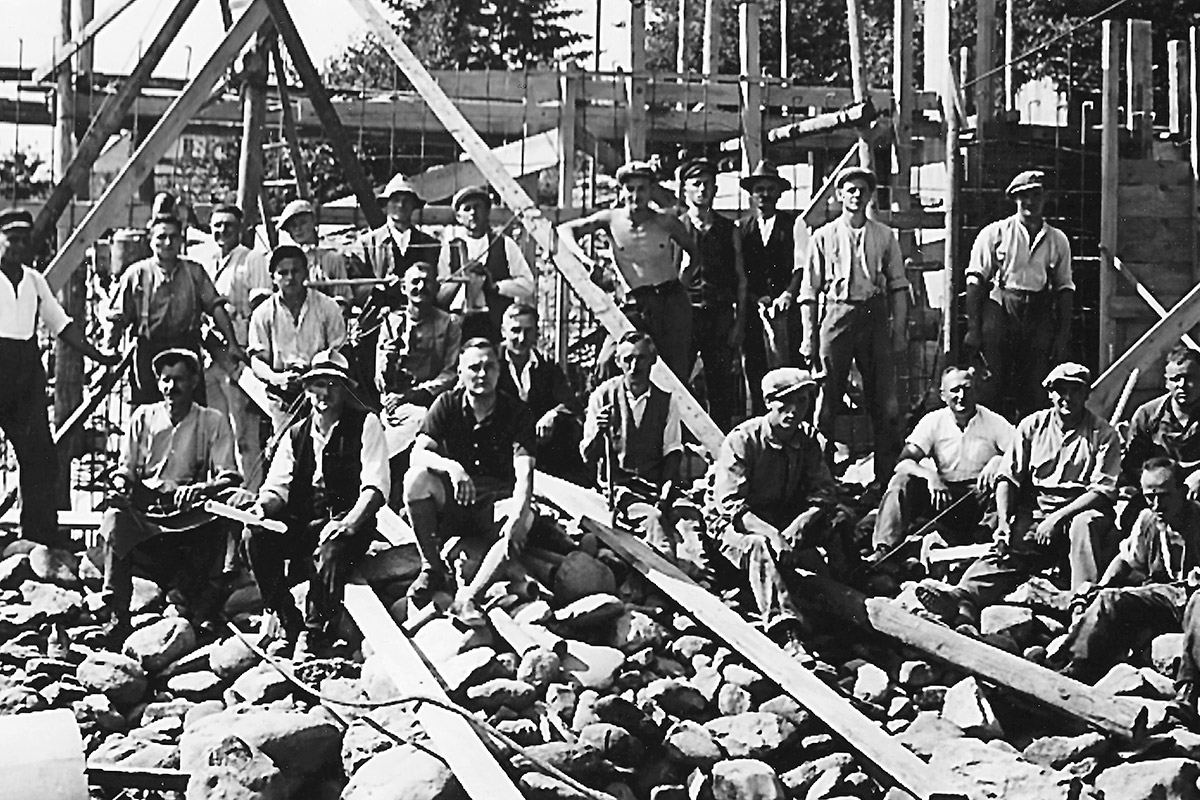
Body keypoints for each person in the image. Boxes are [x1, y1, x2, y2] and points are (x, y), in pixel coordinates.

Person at [915, 363, 1122, 624]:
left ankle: (1083, 605)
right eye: (1060, 391)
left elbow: (1103, 491)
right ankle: (963, 595)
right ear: (1050, 393)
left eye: (1075, 391)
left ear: (1086, 394)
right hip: (1039, 510)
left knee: (1084, 525)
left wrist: (1057, 518)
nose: (1067, 398)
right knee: (1007, 546)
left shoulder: (1103, 434)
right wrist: (1003, 523)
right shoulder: (1032, 426)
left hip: (1081, 509)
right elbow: (1008, 477)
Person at [245, 350, 389, 659]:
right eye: (316, 385)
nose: (324, 393)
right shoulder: (296, 433)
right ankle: (287, 619)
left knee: (332, 550)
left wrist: (348, 523)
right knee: (254, 536)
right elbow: (277, 489)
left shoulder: (366, 423)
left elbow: (375, 488)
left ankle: (315, 633)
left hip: (349, 523)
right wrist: (262, 509)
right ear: (307, 389)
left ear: (345, 389)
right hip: (305, 522)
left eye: (332, 384)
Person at [98, 349, 244, 640]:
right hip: (149, 515)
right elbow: (126, 469)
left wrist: (201, 489)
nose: (170, 387)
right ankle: (117, 615)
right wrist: (120, 484)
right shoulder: (143, 417)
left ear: (193, 382)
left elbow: (229, 475)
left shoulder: (212, 420)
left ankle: (207, 608)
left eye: (178, 379)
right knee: (114, 518)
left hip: (192, 518)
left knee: (233, 506)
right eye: (165, 380)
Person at [0, 208, 119, 545]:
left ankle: (36, 539)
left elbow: (62, 325)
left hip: (24, 376)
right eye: (12, 239)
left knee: (40, 457)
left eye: (24, 240)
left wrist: (100, 355)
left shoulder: (34, 281)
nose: (19, 246)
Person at [403, 338, 536, 622]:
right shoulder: (446, 404)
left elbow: (525, 472)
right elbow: (418, 454)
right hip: (456, 501)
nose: (482, 374)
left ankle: (469, 598)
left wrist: (519, 513)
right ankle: (432, 568)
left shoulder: (517, 412)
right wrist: (452, 467)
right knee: (415, 479)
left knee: (525, 515)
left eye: (489, 367)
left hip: (495, 504)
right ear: (460, 372)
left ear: (499, 370)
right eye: (474, 367)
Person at [705, 368, 840, 636]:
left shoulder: (807, 439)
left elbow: (825, 490)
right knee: (759, 545)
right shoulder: (743, 440)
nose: (794, 411)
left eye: (801, 401)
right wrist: (775, 535)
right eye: (785, 402)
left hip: (782, 517)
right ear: (769, 402)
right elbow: (732, 506)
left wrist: (802, 522)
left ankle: (850, 594)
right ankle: (784, 627)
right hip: (736, 525)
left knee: (838, 521)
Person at [799, 166, 908, 481]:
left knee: (883, 398)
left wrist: (899, 331)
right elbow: (809, 291)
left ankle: (884, 479)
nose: (857, 195)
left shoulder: (885, 236)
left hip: (874, 315)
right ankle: (820, 477)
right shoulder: (823, 236)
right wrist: (809, 337)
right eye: (850, 190)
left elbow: (899, 285)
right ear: (839, 195)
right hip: (837, 314)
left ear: (870, 195)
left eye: (863, 190)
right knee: (826, 397)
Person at [1051, 458, 1200, 683]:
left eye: (1164, 496)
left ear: (1183, 491)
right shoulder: (1148, 520)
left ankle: (1187, 689)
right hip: (1163, 599)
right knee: (1108, 599)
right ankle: (1073, 668)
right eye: (1150, 497)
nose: (1157, 505)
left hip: (1194, 602)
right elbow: (1126, 559)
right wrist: (1101, 587)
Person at [562, 161, 700, 379]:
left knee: (674, 369)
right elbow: (565, 230)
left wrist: (683, 281)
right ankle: (610, 401)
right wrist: (585, 260)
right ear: (622, 190)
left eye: (642, 189)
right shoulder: (611, 220)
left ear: (651, 190)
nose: (636, 195)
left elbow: (694, 252)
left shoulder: (666, 222)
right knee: (608, 362)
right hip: (635, 303)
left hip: (669, 301)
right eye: (630, 189)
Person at [870, 366, 1015, 559]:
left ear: (976, 391)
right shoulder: (933, 421)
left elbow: (1021, 453)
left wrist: (998, 460)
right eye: (955, 390)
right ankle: (884, 550)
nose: (961, 396)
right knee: (901, 481)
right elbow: (903, 462)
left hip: (979, 497)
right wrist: (930, 476)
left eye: (967, 389)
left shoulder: (993, 421)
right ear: (943, 395)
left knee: (1004, 485)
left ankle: (985, 546)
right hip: (943, 497)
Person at [964, 169, 1074, 420]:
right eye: (1023, 196)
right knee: (993, 379)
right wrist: (973, 328)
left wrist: (1062, 336)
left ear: (1045, 198)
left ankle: (1030, 436)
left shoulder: (1057, 240)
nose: (1030, 202)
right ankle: (991, 435)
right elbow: (975, 280)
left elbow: (1064, 288)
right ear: (1014, 199)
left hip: (1038, 311)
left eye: (1036, 195)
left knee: (1036, 383)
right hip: (1002, 307)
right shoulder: (996, 233)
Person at [108, 213, 243, 405]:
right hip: (150, 351)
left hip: (186, 349)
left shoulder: (194, 272)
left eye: (173, 237)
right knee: (151, 412)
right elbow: (117, 317)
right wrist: (109, 353)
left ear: (181, 240)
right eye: (161, 237)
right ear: (151, 240)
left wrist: (232, 343)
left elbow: (215, 307)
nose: (168, 242)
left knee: (192, 410)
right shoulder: (136, 274)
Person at [375, 261, 462, 491]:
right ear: (404, 288)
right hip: (397, 405)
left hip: (435, 402)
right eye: (415, 282)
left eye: (427, 282)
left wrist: (415, 394)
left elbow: (451, 373)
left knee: (422, 419)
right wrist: (388, 360)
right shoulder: (391, 323)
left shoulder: (449, 324)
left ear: (436, 287)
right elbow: (380, 381)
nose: (421, 287)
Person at [203, 204, 271, 490]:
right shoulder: (206, 263)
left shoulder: (252, 259)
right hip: (211, 357)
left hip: (239, 356)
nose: (222, 231)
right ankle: (223, 489)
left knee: (244, 432)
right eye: (217, 225)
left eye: (228, 225)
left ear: (240, 228)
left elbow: (262, 308)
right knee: (219, 432)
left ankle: (251, 491)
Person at [248, 245, 348, 432]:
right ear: (273, 277)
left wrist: (316, 377)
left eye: (295, 271)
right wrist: (278, 378)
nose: (290, 278)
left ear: (306, 272)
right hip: (283, 395)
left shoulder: (327, 307)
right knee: (286, 443)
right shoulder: (263, 313)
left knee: (324, 439)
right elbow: (257, 360)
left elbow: (340, 352)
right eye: (283, 273)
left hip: (322, 390)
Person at [678, 158, 747, 431]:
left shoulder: (729, 230)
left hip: (719, 317)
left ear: (716, 190)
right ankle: (679, 443)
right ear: (685, 190)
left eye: (707, 184)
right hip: (686, 316)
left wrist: (739, 323)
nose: (702, 190)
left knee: (720, 385)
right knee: (679, 381)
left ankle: (720, 444)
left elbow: (741, 279)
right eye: (696, 184)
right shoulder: (677, 227)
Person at [739, 161, 809, 412]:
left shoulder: (794, 224)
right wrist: (755, 298)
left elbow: (801, 265)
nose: (765, 195)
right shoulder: (742, 229)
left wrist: (789, 294)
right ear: (752, 194)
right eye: (759, 189)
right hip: (754, 308)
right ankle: (761, 417)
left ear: (779, 194)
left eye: (770, 189)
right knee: (755, 364)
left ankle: (794, 418)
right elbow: (739, 269)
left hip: (786, 308)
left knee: (790, 363)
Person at [581, 332, 683, 497]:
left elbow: (672, 451)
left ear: (653, 360)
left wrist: (667, 490)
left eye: (641, 358)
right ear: (618, 362)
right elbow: (587, 456)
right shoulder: (602, 396)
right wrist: (599, 432)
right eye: (628, 360)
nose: (634, 367)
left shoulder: (666, 401)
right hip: (616, 490)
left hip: (653, 489)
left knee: (688, 514)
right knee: (643, 514)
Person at [498, 302, 587, 484]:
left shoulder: (546, 366)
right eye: (515, 330)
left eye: (528, 331)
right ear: (503, 331)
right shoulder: (490, 363)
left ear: (536, 333)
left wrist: (553, 414)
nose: (522, 338)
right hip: (501, 447)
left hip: (539, 448)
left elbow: (571, 403)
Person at [436, 186, 535, 342]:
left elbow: (528, 285)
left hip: (494, 321)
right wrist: (461, 278)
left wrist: (495, 286)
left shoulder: (504, 244)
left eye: (478, 207)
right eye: (467, 209)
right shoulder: (450, 248)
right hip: (459, 322)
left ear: (487, 211)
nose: (473, 213)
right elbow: (440, 294)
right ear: (458, 217)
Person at [1122, 345, 1200, 500]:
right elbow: (1133, 464)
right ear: (1166, 383)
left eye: (1190, 378)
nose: (1182, 385)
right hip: (1160, 492)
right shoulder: (1147, 414)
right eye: (1175, 379)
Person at [276, 199, 354, 306]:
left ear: (313, 222)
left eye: (303, 223)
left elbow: (343, 298)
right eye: (293, 226)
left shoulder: (332, 258)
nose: (298, 229)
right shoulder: (285, 262)